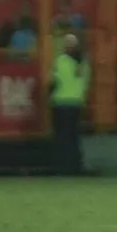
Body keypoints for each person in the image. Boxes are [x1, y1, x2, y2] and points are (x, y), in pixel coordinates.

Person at [49, 34, 90, 175]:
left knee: (61, 138)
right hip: (76, 103)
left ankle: (62, 167)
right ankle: (74, 167)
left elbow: (53, 80)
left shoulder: (60, 61)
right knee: (73, 137)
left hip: (61, 102)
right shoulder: (83, 63)